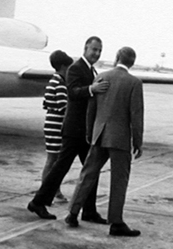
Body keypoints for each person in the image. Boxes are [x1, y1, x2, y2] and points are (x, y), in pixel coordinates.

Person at [27, 36, 109, 220]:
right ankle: (38, 202)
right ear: (85, 49)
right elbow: (72, 92)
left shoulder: (90, 70)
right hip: (74, 131)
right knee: (62, 168)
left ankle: (88, 210)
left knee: (90, 169)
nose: (96, 53)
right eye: (94, 49)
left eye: (99, 51)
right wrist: (92, 89)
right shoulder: (75, 68)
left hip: (83, 131)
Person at [64, 47, 145, 236]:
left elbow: (91, 107)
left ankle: (73, 212)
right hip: (120, 138)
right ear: (132, 62)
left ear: (117, 58)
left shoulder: (101, 77)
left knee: (87, 175)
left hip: (99, 135)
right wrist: (138, 142)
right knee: (119, 180)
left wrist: (89, 132)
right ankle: (116, 222)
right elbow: (136, 115)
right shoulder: (134, 83)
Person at [42, 50, 74, 202]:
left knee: (53, 159)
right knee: (53, 160)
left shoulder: (53, 81)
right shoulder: (60, 83)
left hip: (51, 123)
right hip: (56, 126)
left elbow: (47, 103)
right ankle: (49, 191)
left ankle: (51, 190)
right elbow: (65, 107)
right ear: (63, 67)